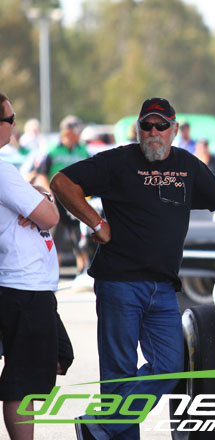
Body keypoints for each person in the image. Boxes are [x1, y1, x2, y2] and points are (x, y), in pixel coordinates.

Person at [50, 97, 215, 440]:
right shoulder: (118, 160)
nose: (153, 132)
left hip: (164, 287)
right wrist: (96, 223)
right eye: (147, 125)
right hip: (119, 283)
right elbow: (62, 182)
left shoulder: (187, 166)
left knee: (170, 366)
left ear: (174, 129)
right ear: (138, 129)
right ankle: (107, 429)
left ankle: (100, 426)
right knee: (119, 375)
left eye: (161, 125)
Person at [0, 92, 61, 440]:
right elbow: (50, 217)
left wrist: (37, 195)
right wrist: (42, 199)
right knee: (22, 382)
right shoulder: (3, 171)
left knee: (53, 359)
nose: (14, 125)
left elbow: (41, 208)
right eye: (10, 119)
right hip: (22, 286)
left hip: (22, 285)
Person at [34, 115, 89, 274]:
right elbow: (41, 174)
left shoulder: (83, 150)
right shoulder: (52, 150)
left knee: (80, 236)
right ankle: (52, 271)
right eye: (76, 130)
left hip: (76, 198)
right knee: (55, 236)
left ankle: (83, 270)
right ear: (67, 132)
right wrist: (48, 193)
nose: (79, 133)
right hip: (57, 200)